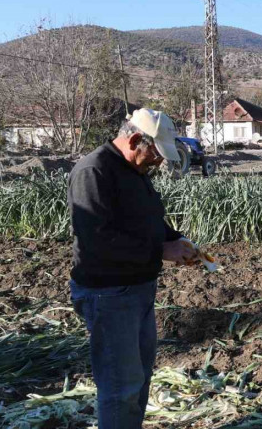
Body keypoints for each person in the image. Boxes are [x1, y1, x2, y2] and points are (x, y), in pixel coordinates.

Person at [67, 108, 199, 428]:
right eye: (155, 153)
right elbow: (98, 241)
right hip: (109, 295)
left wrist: (177, 240)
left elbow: (149, 222)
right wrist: (160, 250)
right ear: (136, 139)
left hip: (138, 291)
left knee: (138, 381)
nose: (158, 162)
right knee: (120, 387)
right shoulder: (93, 172)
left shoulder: (137, 173)